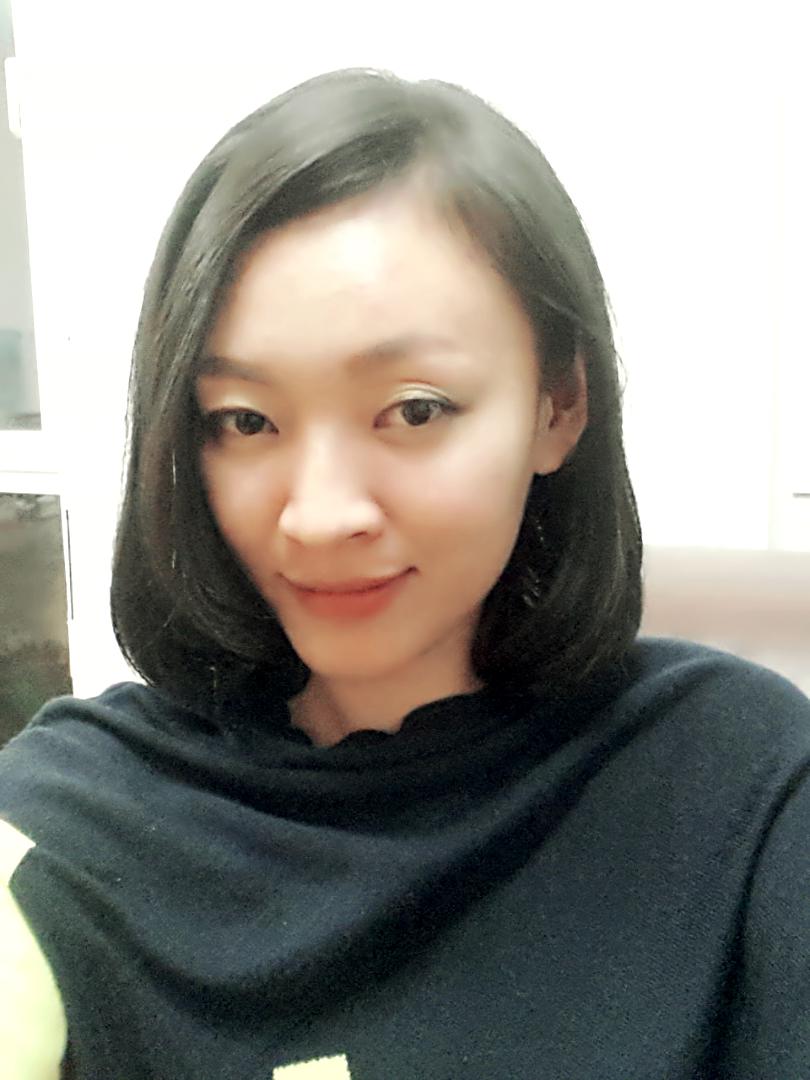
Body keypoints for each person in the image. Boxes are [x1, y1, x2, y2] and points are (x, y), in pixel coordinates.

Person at [0, 67, 808, 1080]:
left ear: (558, 404)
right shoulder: (73, 823)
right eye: (245, 421)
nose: (320, 515)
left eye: (414, 410)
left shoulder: (743, 784)